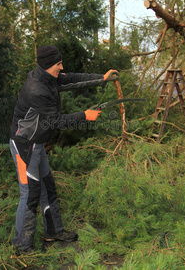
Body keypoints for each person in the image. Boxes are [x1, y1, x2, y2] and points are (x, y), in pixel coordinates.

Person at [9, 45, 119, 252]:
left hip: (37, 143)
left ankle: (53, 231)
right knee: (30, 194)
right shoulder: (37, 89)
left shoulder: (47, 76)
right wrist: (85, 116)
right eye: (58, 64)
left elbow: (71, 78)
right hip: (24, 146)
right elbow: (56, 121)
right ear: (49, 65)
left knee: (47, 187)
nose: (62, 67)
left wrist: (102, 78)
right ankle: (21, 248)